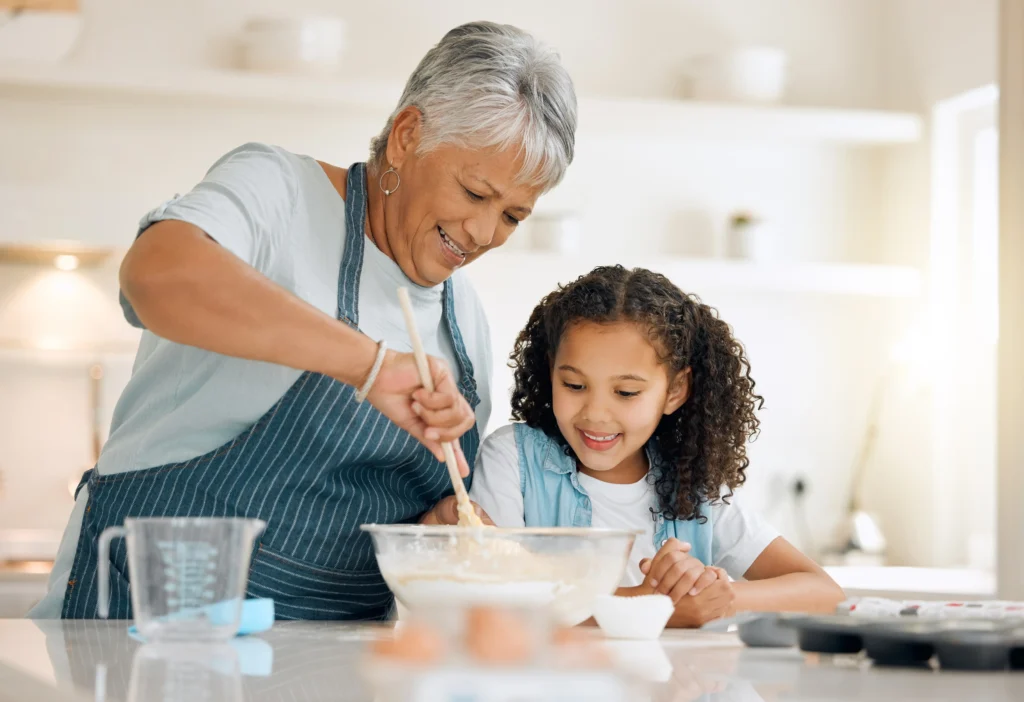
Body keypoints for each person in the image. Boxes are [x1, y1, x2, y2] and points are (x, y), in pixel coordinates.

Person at [30, 20, 577, 621]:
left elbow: (404, 534)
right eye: (475, 193)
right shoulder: (279, 192)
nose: (482, 234)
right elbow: (154, 274)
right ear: (406, 136)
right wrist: (367, 366)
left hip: (335, 669)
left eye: (513, 216)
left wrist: (438, 528)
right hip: (157, 628)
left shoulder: (463, 319)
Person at [470, 266, 845, 627]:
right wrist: (651, 605)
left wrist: (721, 598)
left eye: (626, 392)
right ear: (551, 371)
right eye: (574, 385)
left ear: (675, 391)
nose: (596, 414)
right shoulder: (512, 459)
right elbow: (496, 597)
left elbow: (824, 592)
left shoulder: (693, 484)